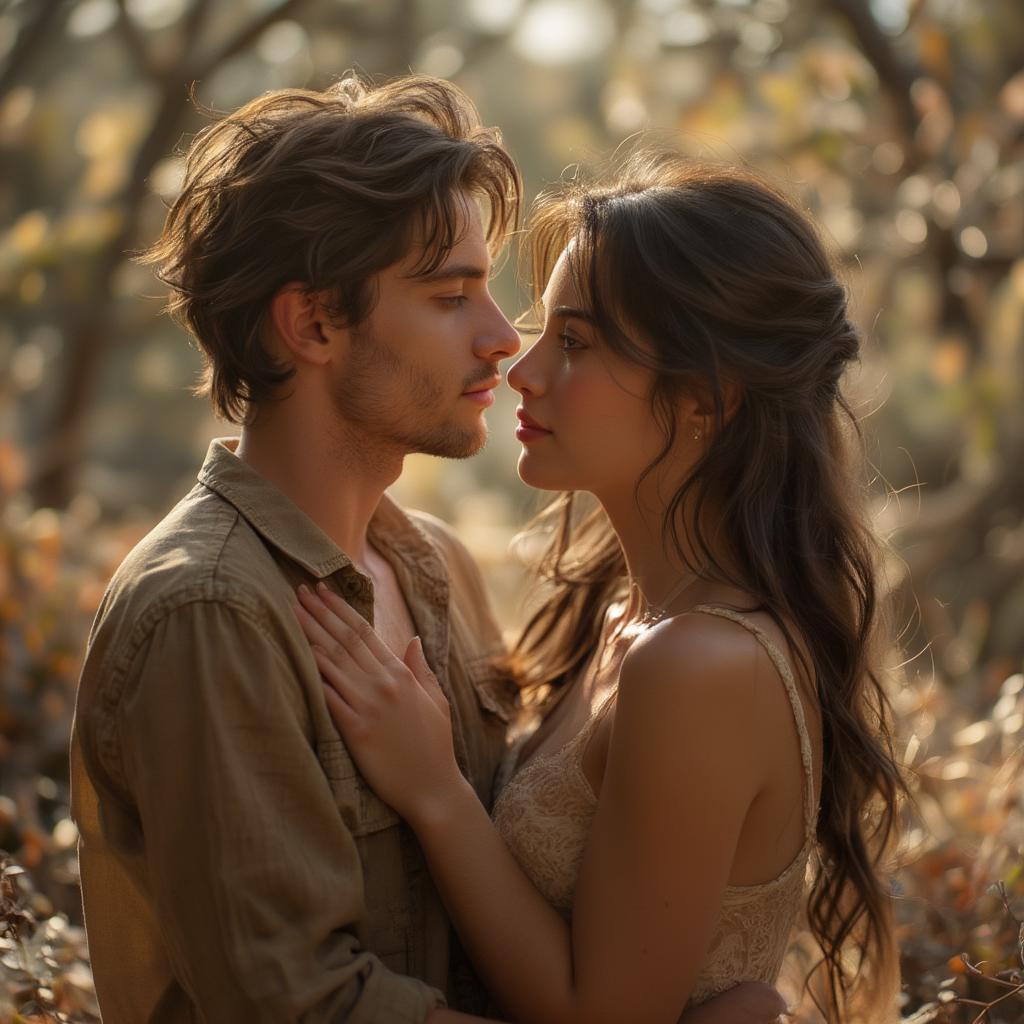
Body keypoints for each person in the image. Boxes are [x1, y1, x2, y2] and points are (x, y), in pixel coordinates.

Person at [69, 74, 785, 1024]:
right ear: (314, 324)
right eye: (453, 298)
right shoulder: (213, 612)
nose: (503, 342)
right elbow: (301, 1007)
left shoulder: (433, 564)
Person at [293, 153, 909, 1023]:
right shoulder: (627, 611)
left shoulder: (701, 665)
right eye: (545, 332)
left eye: (575, 343)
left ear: (709, 398)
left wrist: (434, 790)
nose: (524, 369)